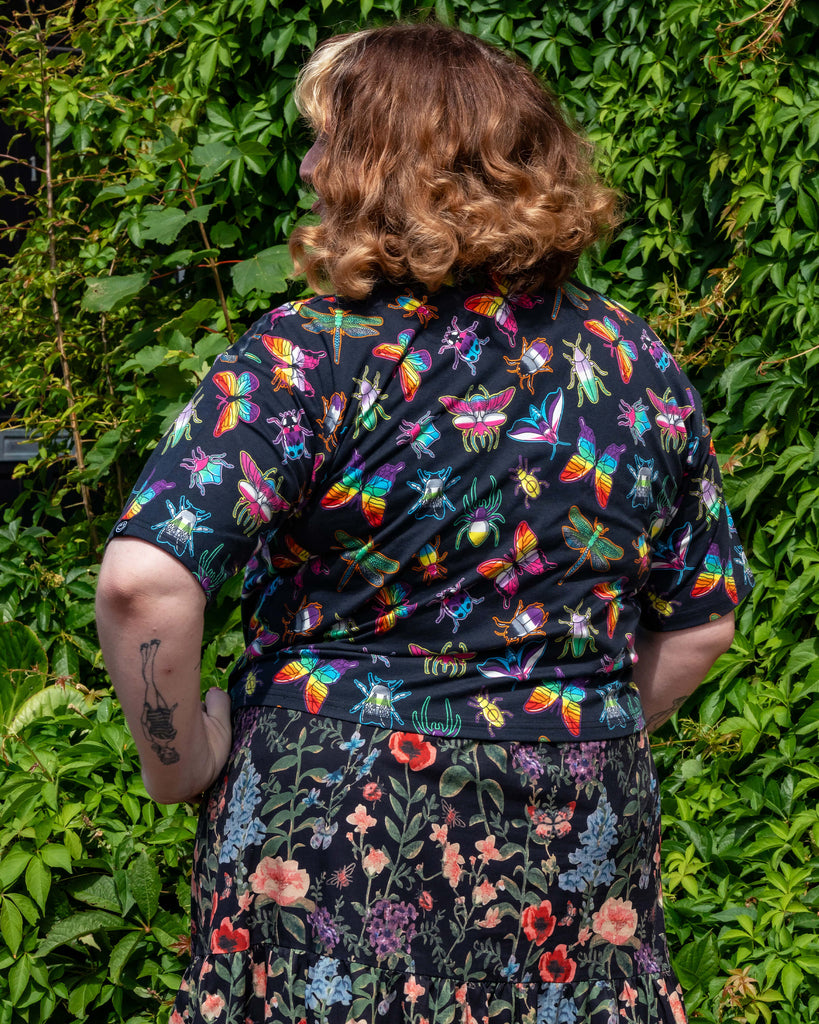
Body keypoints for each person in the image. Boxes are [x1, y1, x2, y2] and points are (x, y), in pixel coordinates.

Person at [96, 22, 752, 1024]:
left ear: (384, 170)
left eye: (327, 142)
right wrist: (557, 734)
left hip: (332, 842)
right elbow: (704, 614)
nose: (310, 167)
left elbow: (146, 581)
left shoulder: (309, 357)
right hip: (575, 845)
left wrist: (177, 760)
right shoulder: (632, 363)